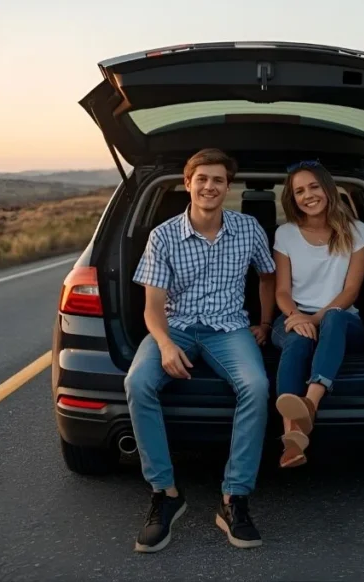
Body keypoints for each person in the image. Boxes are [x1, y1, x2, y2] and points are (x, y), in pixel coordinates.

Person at [125, 147, 277, 553]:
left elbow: (267, 276)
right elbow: (153, 308)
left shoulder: (248, 229)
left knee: (256, 386)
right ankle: (166, 493)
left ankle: (234, 498)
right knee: (138, 382)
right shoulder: (163, 236)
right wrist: (165, 344)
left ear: (228, 186)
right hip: (174, 325)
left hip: (229, 328)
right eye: (202, 179)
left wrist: (264, 323)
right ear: (188, 184)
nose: (210, 186)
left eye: (218, 180)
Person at [270, 160, 364, 468]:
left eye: (314, 187)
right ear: (292, 198)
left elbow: (350, 291)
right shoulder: (286, 234)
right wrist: (298, 317)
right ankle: (292, 441)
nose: (308, 195)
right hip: (294, 313)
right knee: (297, 340)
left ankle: (309, 405)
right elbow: (281, 292)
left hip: (342, 320)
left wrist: (315, 320)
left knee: (334, 317)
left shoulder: (357, 231)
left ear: (328, 190)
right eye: (299, 191)